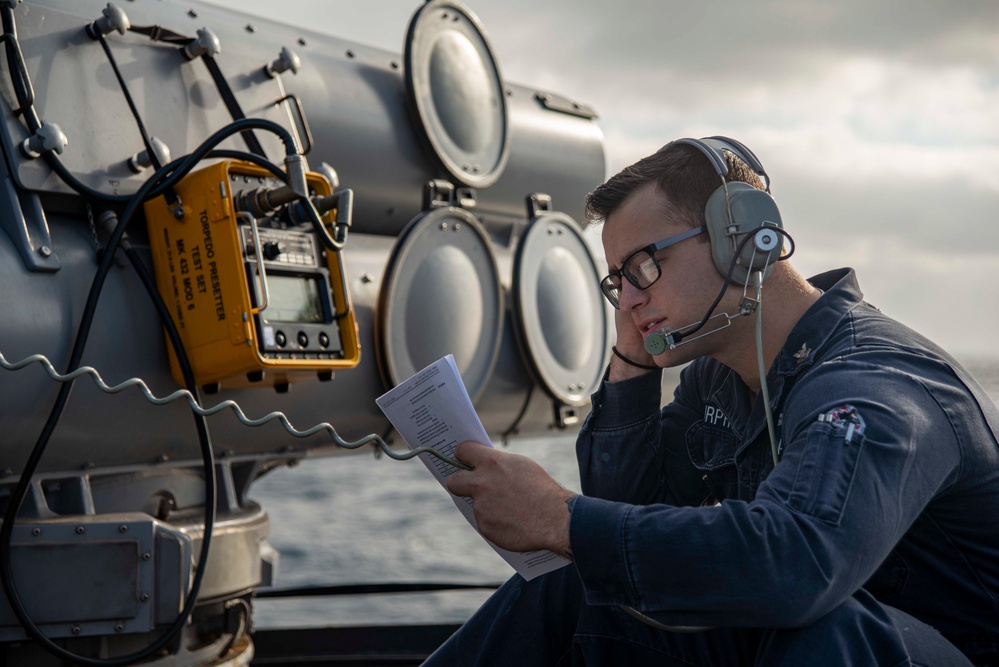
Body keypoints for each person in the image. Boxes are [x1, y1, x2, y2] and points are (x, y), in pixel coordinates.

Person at [423, 137, 999, 666]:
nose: (626, 302)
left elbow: (798, 564)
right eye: (616, 283)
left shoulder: (875, 382)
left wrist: (559, 517)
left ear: (744, 243)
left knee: (825, 627)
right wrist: (633, 362)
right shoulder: (718, 382)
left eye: (644, 266)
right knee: (579, 577)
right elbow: (626, 517)